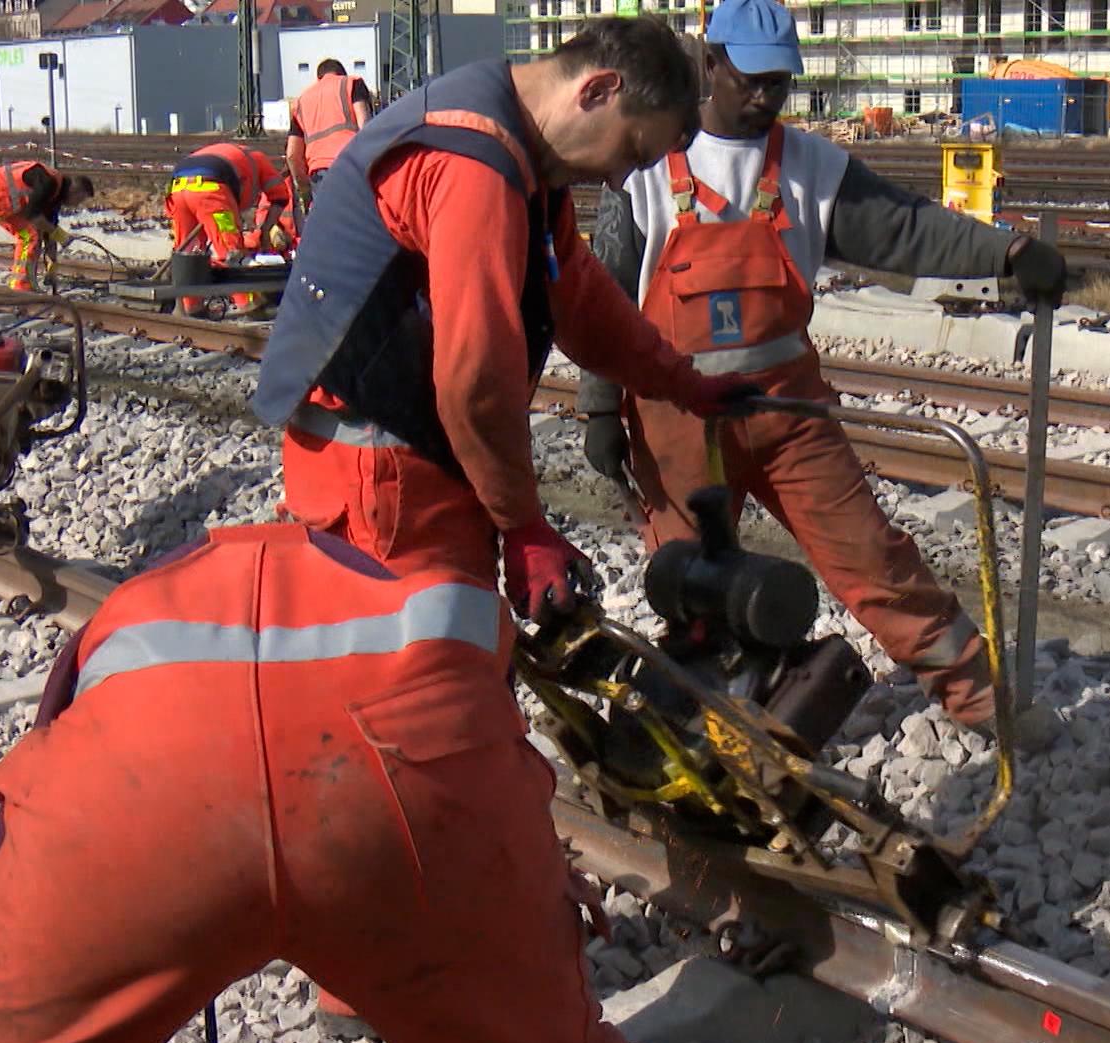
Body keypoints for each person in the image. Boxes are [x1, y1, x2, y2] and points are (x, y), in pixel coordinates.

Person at [0, 522, 643, 1043]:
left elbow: (17, 823)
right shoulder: (428, 609)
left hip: (132, 808)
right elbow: (505, 763)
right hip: (401, 792)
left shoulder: (124, 616)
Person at [577, 0, 1068, 732]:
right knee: (692, 586)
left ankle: (982, 701)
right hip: (674, 421)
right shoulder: (646, 165)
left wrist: (1008, 253)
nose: (766, 96)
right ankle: (703, 731)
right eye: (751, 79)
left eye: (779, 82)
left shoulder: (811, 166)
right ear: (711, 65)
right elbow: (604, 298)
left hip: (789, 415)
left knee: (877, 560)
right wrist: (597, 409)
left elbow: (906, 228)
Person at [253, 18, 758, 626]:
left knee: (452, 664)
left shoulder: (524, 154)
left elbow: (580, 299)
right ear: (597, 91)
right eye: (630, 151)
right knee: (419, 684)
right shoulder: (475, 165)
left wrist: (681, 382)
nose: (620, 178)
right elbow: (475, 380)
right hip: (379, 477)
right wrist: (524, 527)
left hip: (413, 461)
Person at [166, 142, 291, 317]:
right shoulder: (260, 160)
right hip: (212, 189)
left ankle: (191, 307)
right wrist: (265, 231)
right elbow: (280, 196)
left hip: (177, 188)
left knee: (189, 253)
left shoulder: (237, 156)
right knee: (232, 252)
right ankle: (249, 304)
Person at [0, 161, 93, 292]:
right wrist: (61, 235)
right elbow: (33, 215)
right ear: (75, 191)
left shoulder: (55, 193)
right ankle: (20, 285)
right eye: (79, 201)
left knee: (33, 233)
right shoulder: (48, 183)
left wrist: (52, 269)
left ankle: (23, 282)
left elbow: (49, 231)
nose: (76, 205)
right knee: (29, 236)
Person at [286, 57, 374, 220]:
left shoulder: (302, 101)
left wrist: (304, 190)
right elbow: (366, 127)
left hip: (319, 174)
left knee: (333, 226)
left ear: (319, 78)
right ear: (341, 73)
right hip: (351, 164)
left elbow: (292, 154)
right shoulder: (350, 83)